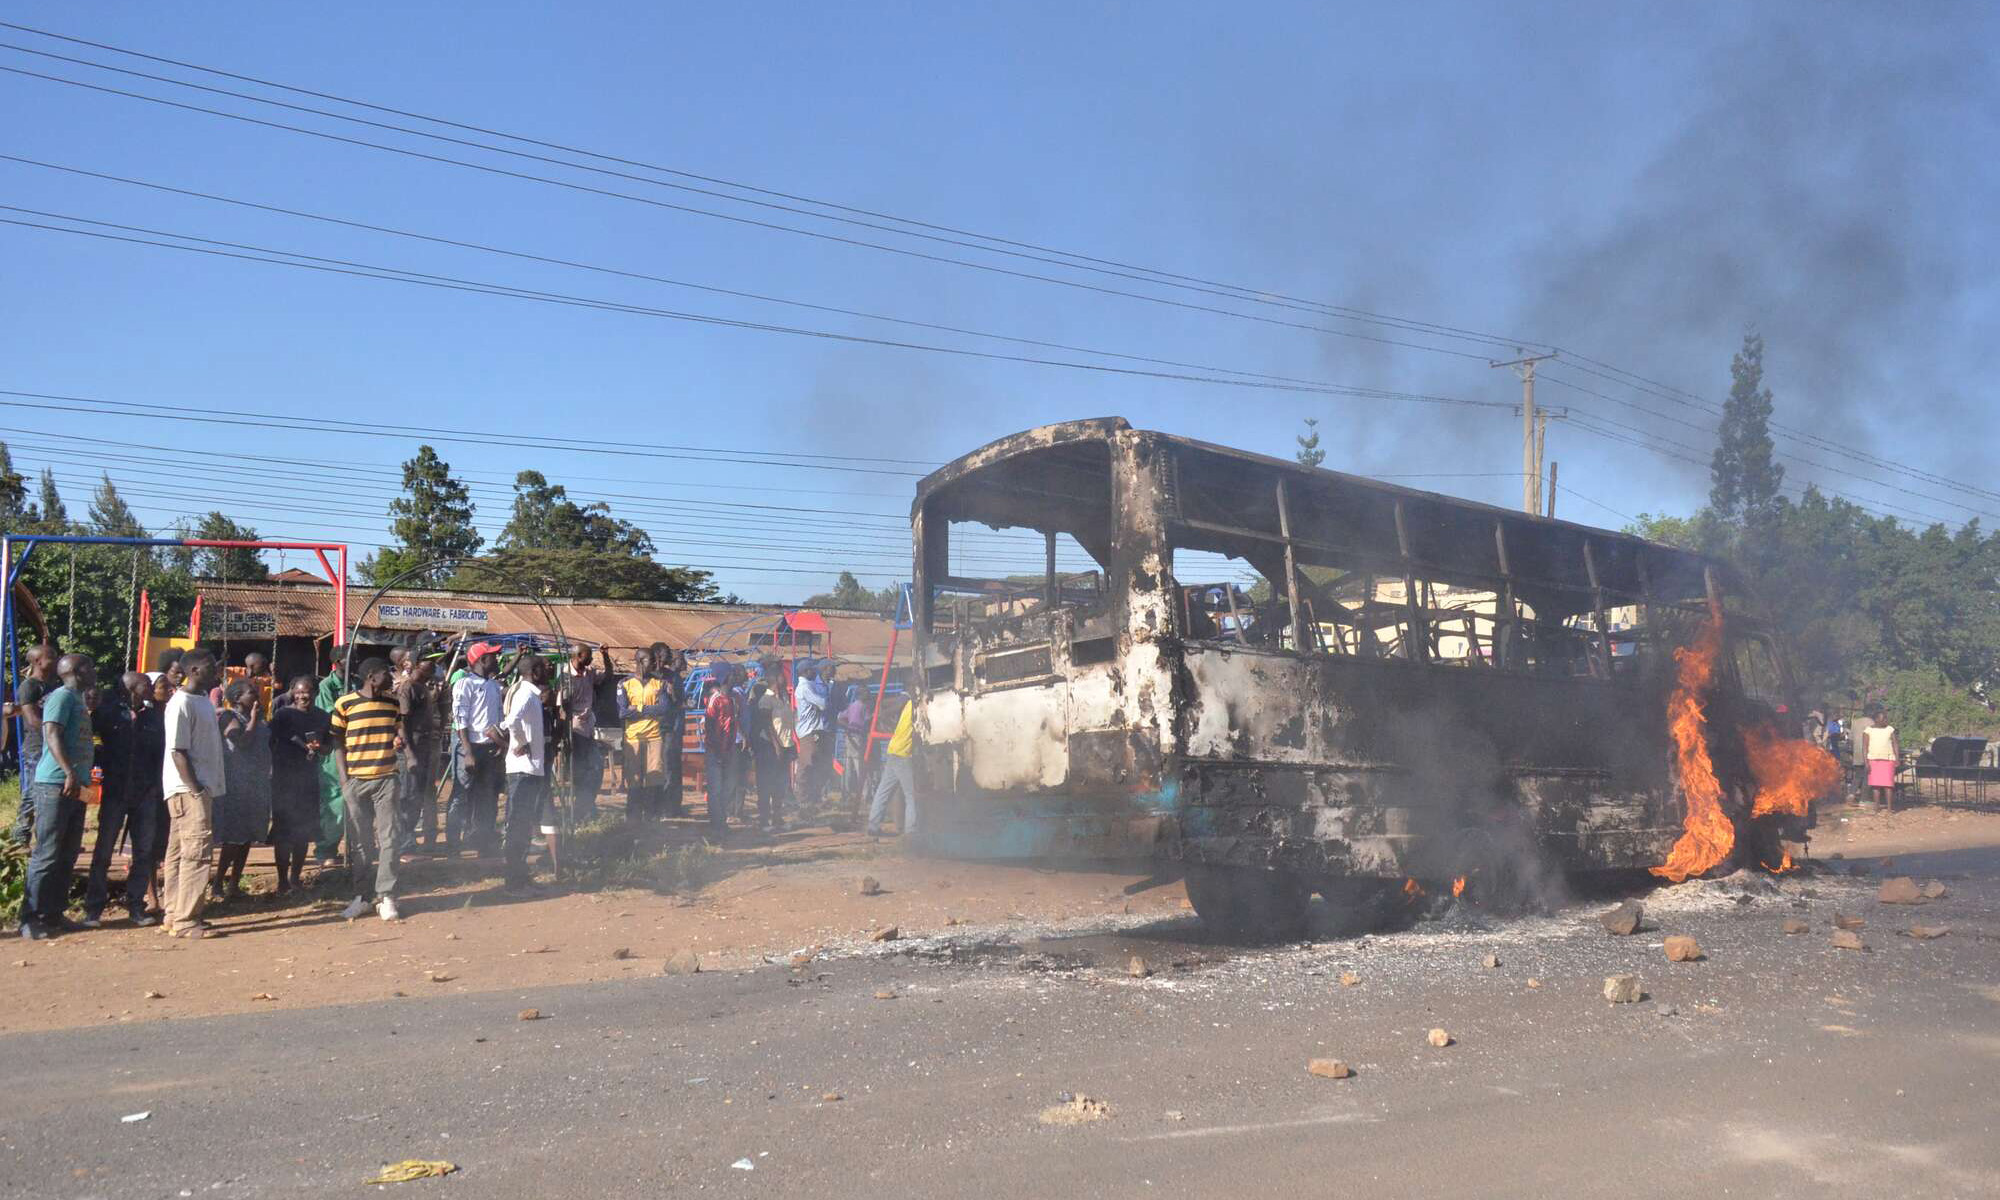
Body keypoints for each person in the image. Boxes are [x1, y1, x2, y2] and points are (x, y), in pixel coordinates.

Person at [19, 653, 97, 939]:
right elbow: (51, 733)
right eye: (89, 667)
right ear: (77, 671)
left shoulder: (78, 699)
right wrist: (68, 772)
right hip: (55, 784)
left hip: (75, 786)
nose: (94, 671)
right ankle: (30, 919)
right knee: (47, 853)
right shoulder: (61, 697)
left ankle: (53, 913)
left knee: (67, 853)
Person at [84, 671, 164, 927]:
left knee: (143, 852)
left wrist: (156, 787)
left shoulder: (153, 716)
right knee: (103, 851)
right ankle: (93, 910)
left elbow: (160, 753)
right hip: (115, 791)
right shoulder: (108, 713)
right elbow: (93, 740)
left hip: (145, 792)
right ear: (130, 688)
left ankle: (136, 907)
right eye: (145, 683)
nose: (150, 686)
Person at [331, 658, 405, 921]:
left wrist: (398, 740)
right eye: (387, 673)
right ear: (372, 676)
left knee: (390, 838)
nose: (392, 678)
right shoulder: (345, 704)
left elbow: (397, 733)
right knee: (360, 843)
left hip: (386, 779)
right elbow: (337, 743)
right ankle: (362, 897)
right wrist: (345, 781)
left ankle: (386, 895)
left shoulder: (393, 704)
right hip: (356, 781)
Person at [162, 650, 226, 939]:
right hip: (188, 790)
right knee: (197, 853)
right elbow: (178, 751)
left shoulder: (201, 700)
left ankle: (174, 913)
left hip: (196, 788)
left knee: (179, 852)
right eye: (211, 666)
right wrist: (196, 790)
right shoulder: (181, 703)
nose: (217, 670)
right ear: (195, 670)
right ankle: (187, 920)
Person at [213, 680, 274, 902]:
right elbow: (241, 742)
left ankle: (234, 885)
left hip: (257, 785)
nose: (256, 695)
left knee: (248, 837)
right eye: (251, 693)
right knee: (233, 838)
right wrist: (255, 719)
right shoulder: (229, 717)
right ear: (237, 698)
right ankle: (218, 884)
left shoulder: (259, 718)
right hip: (236, 786)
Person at [267, 675, 328, 895]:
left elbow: (329, 747)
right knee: (283, 833)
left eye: (307, 692)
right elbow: (270, 741)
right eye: (299, 692)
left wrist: (319, 748)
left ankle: (295, 878)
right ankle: (282, 880)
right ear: (293, 693)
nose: (303, 696)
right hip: (284, 780)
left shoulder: (322, 717)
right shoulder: (283, 715)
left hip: (308, 780)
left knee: (303, 832)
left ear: (315, 693)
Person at [449, 643, 506, 855]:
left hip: (490, 748)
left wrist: (500, 744)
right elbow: (460, 719)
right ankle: (453, 844)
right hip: (471, 748)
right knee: (461, 795)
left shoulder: (494, 686)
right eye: (493, 656)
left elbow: (499, 717)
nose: (496, 660)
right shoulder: (465, 684)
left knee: (488, 796)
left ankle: (482, 841)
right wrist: (468, 752)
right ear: (482, 660)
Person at [502, 654, 552, 888]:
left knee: (523, 825)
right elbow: (512, 720)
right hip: (523, 769)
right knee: (518, 825)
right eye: (545, 667)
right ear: (535, 671)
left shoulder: (529, 693)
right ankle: (514, 881)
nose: (549, 670)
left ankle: (520, 877)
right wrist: (521, 741)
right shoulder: (525, 693)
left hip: (530, 769)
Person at [9, 643, 58, 849]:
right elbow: (32, 719)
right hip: (37, 747)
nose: (56, 660)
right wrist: (54, 737)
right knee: (31, 792)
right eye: (51, 657)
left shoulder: (54, 686)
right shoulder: (29, 686)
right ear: (38, 661)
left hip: (53, 746)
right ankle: (20, 837)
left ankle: (46, 838)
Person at [395, 655, 442, 854]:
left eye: (434, 662)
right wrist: (409, 755)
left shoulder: (423, 687)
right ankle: (403, 843)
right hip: (412, 749)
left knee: (418, 795)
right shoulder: (408, 688)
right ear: (415, 664)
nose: (432, 666)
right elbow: (402, 723)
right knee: (408, 796)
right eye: (427, 662)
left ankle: (408, 840)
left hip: (424, 748)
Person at [618, 648, 671, 821]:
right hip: (633, 738)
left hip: (654, 737)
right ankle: (633, 818)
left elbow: (663, 709)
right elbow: (623, 712)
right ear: (640, 662)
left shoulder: (660, 684)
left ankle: (651, 817)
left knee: (654, 778)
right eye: (651, 660)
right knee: (634, 779)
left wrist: (638, 708)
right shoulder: (624, 684)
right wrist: (650, 710)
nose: (656, 663)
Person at [561, 644, 603, 826]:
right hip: (575, 729)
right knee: (580, 771)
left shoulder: (589, 672)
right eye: (588, 656)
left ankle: (586, 805)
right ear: (578, 656)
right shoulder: (565, 675)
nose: (591, 659)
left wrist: (606, 656)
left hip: (588, 728)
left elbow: (607, 676)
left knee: (596, 767)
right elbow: (562, 706)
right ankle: (580, 810)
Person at [313, 653, 348, 867]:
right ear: (336, 662)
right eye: (347, 658)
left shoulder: (357, 682)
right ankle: (325, 849)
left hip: (354, 746)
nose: (353, 661)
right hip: (333, 746)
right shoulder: (327, 686)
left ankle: (353, 848)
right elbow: (330, 715)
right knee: (334, 799)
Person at [868, 698, 918, 839]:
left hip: (893, 749)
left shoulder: (908, 704)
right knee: (911, 795)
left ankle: (873, 826)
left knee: (883, 791)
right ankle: (911, 831)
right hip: (904, 754)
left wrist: (888, 722)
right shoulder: (915, 705)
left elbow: (884, 707)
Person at [649, 642, 686, 817]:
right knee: (654, 768)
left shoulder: (673, 677)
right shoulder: (647, 676)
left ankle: (671, 807)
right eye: (666, 654)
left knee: (670, 767)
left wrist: (673, 694)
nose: (669, 658)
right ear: (657, 654)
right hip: (650, 729)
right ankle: (655, 807)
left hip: (669, 729)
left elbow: (680, 702)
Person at [702, 676, 739, 836]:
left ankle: (721, 820)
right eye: (730, 676)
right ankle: (717, 823)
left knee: (727, 786)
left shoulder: (731, 699)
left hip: (728, 749)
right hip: (716, 750)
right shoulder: (715, 700)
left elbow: (732, 724)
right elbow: (710, 726)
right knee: (716, 787)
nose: (733, 679)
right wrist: (718, 751)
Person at [793, 662, 831, 811]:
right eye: (812, 670)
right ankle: (803, 801)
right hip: (809, 732)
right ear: (806, 671)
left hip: (811, 731)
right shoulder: (805, 687)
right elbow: (823, 703)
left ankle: (811, 800)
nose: (815, 673)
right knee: (806, 766)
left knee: (814, 766)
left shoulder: (808, 686)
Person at [1862, 705, 1900, 814]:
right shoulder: (1868, 731)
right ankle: (1876, 808)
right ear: (1876, 719)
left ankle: (1889, 809)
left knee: (1888, 785)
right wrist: (1866, 762)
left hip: (1888, 760)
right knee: (1876, 786)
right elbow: (1865, 747)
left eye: (1886, 718)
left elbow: (1895, 744)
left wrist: (1897, 758)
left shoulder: (1890, 729)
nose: (1886, 720)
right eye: (1883, 718)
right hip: (1873, 760)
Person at [1847, 705, 1875, 800]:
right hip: (1869, 752)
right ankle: (1864, 798)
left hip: (1857, 752)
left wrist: (1851, 752)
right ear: (1872, 713)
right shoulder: (1873, 723)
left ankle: (1851, 794)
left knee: (1858, 775)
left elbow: (1850, 740)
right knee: (1867, 776)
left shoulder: (1855, 722)